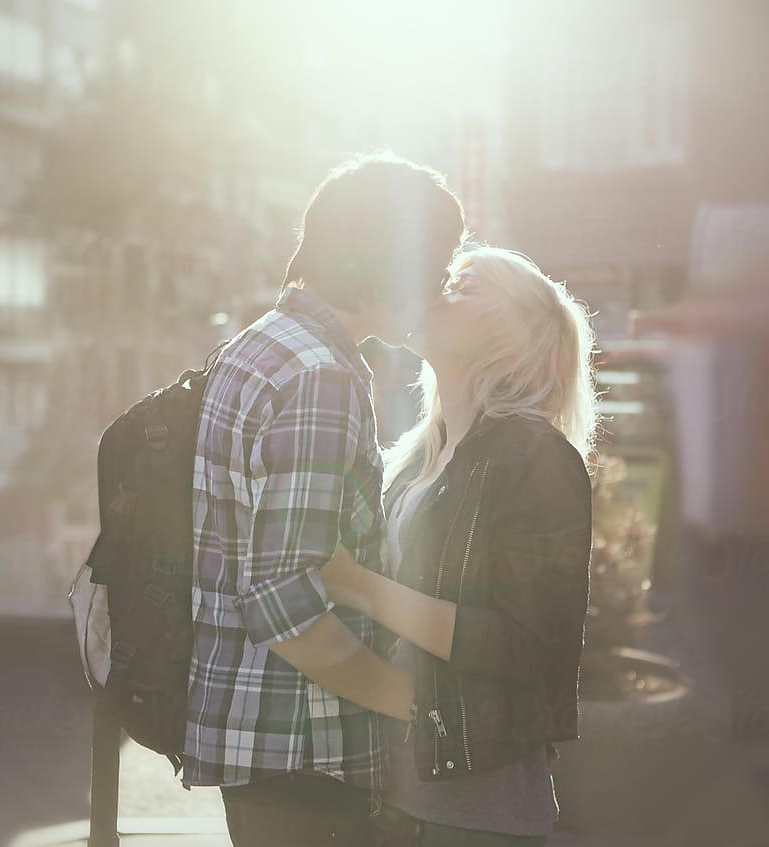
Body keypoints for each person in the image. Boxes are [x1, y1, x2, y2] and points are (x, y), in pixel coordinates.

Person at [184, 152, 468, 847]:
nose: (440, 288)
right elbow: (284, 597)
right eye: (436, 267)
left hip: (262, 745)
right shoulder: (322, 376)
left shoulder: (260, 344)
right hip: (303, 752)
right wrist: (415, 707)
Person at [321, 246, 598, 846]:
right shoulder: (415, 459)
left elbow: (528, 646)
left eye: (463, 284)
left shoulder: (538, 458)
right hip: (388, 794)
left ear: (517, 329)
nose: (435, 287)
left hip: (477, 812)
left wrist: (360, 587)